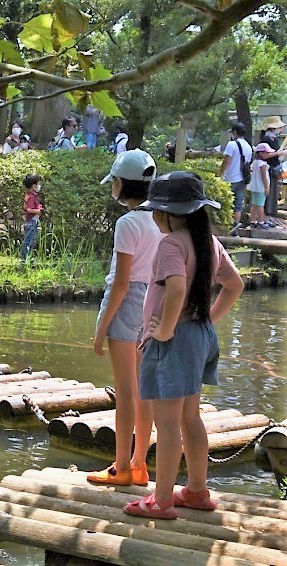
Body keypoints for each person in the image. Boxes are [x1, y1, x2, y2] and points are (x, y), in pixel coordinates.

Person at [123, 171, 243, 520]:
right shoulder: (208, 241)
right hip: (199, 337)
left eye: (156, 211)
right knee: (190, 417)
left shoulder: (172, 244)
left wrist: (164, 331)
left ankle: (161, 500)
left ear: (170, 214)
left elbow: (175, 288)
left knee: (167, 424)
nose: (154, 217)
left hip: (174, 342)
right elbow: (234, 285)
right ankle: (196, 490)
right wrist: (206, 320)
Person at [88, 149, 162, 487]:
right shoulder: (162, 219)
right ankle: (140, 464)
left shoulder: (127, 223)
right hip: (155, 302)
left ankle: (120, 467)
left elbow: (120, 283)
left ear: (120, 184)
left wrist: (101, 328)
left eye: (114, 181)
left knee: (126, 391)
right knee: (144, 389)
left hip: (128, 302)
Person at [218, 121, 253, 231]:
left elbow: (227, 161)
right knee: (238, 204)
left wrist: (220, 174)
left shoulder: (232, 144)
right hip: (243, 179)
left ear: (235, 132)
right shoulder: (248, 146)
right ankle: (235, 226)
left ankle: (226, 225)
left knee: (226, 203)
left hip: (230, 178)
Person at [258, 115, 287, 219]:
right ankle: (265, 216)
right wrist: (279, 153)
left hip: (274, 168)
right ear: (273, 128)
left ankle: (270, 214)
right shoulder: (266, 139)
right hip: (267, 169)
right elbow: (263, 155)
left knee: (273, 192)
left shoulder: (274, 138)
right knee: (268, 192)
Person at [249, 143, 272, 229]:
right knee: (260, 205)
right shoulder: (262, 164)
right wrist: (267, 187)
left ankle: (252, 221)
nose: (268, 154)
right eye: (267, 152)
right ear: (261, 153)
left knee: (254, 204)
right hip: (261, 187)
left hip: (254, 187)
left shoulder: (255, 162)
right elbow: (264, 177)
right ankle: (261, 222)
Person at [21, 174, 42, 261]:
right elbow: (29, 209)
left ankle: (28, 257)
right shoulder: (32, 197)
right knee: (29, 241)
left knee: (31, 240)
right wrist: (38, 211)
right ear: (34, 186)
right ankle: (25, 258)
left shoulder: (29, 196)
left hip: (31, 221)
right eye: (38, 184)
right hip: (31, 222)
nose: (39, 186)